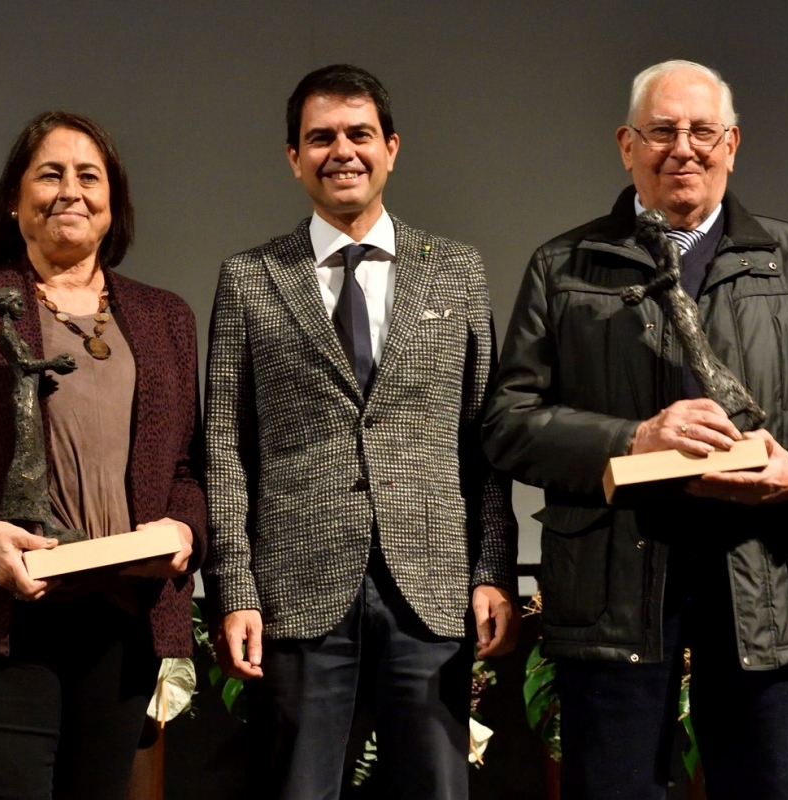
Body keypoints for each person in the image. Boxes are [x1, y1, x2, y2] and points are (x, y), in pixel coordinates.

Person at [483, 60, 788, 800]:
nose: (684, 147)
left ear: (732, 144)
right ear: (626, 145)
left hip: (769, 574)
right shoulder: (565, 266)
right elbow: (509, 423)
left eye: (703, 130)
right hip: (617, 578)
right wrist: (633, 440)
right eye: (662, 131)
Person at [203, 64, 519, 799]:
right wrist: (235, 588)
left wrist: (492, 569)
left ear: (392, 147)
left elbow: (487, 442)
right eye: (320, 138)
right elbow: (223, 447)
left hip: (431, 582)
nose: (341, 150)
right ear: (294, 157)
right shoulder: (251, 277)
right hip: (296, 585)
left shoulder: (457, 271)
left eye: (359, 134)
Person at [0, 110, 205, 800]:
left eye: (90, 176)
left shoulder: (165, 317)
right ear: (14, 200)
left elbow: (185, 471)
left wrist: (184, 529)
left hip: (120, 616)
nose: (70, 191)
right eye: (49, 174)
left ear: (114, 205)